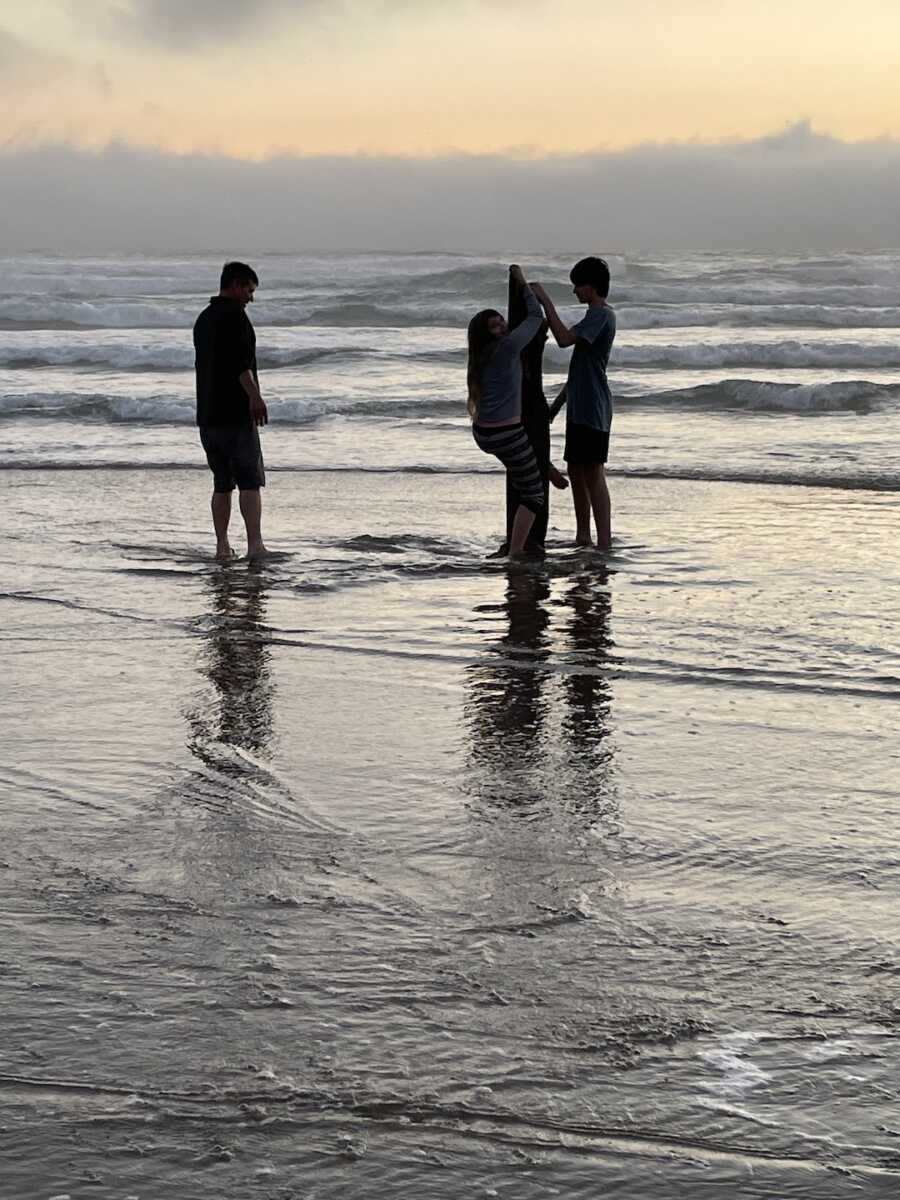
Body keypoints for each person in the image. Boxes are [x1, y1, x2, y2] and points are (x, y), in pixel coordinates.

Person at [531, 256, 616, 550]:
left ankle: (602, 540)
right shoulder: (595, 315)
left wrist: (545, 301)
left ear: (591, 286)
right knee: (577, 469)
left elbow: (564, 339)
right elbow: (579, 370)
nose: (575, 292)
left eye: (577, 286)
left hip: (593, 406)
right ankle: (583, 535)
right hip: (580, 403)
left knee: (593, 471)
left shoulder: (600, 315)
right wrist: (556, 407)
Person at [467, 266, 548, 558]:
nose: (503, 328)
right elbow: (536, 318)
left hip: (484, 432)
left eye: (502, 323)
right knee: (534, 493)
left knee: (520, 480)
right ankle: (516, 552)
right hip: (506, 433)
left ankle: (514, 542)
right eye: (496, 326)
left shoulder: (480, 355)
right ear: (487, 334)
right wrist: (526, 285)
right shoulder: (508, 347)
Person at [193, 261, 269, 561]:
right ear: (236, 285)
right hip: (235, 415)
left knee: (222, 483)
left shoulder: (204, 318)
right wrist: (255, 398)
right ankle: (255, 545)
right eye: (249, 291)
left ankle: (222, 547)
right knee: (250, 481)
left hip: (208, 416)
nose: (251, 298)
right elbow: (241, 366)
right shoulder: (235, 317)